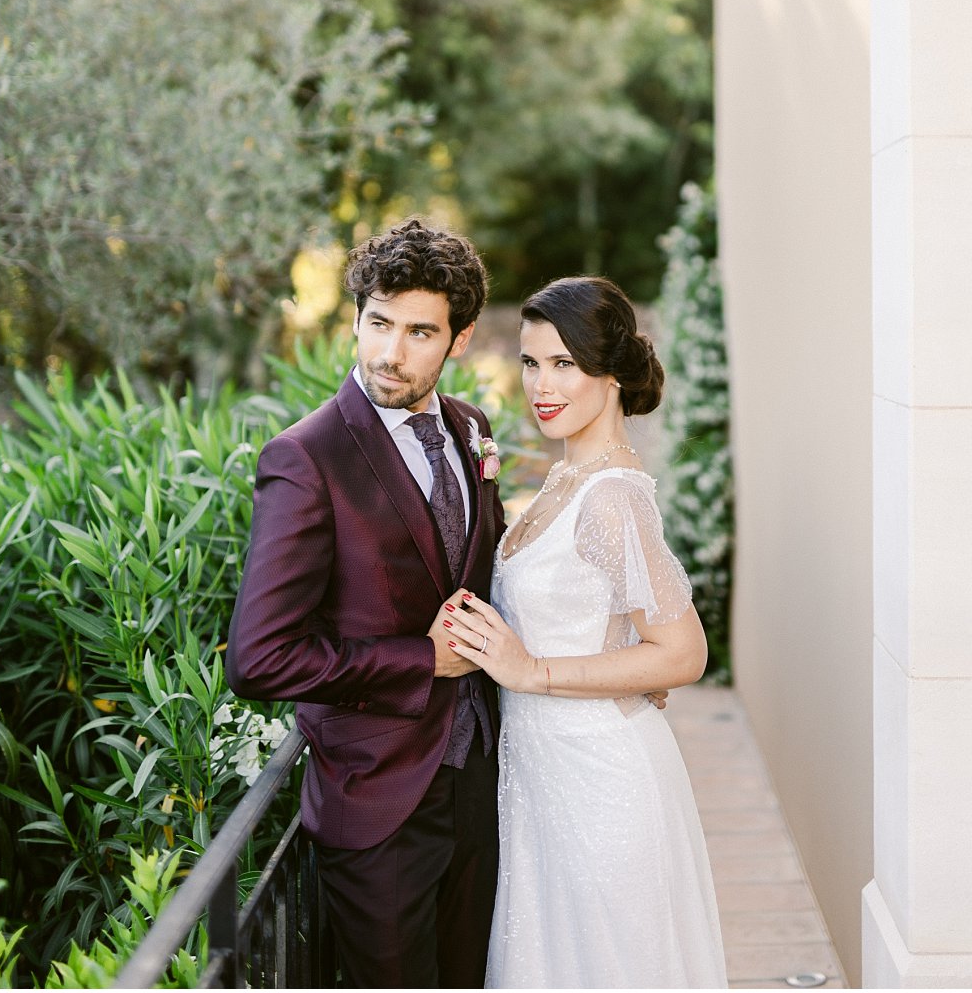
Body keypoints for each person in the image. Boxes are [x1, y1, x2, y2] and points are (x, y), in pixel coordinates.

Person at [225, 218, 506, 989]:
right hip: (379, 806)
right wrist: (424, 659)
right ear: (355, 317)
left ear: (460, 338)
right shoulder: (304, 458)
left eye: (420, 332)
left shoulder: (470, 429)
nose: (390, 352)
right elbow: (259, 658)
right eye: (378, 323)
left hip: (480, 781)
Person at [445, 275, 728, 989]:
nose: (542, 384)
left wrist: (533, 670)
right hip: (544, 781)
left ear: (609, 372)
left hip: (601, 782)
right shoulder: (564, 479)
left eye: (564, 364)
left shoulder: (611, 500)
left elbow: (684, 652)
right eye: (532, 362)